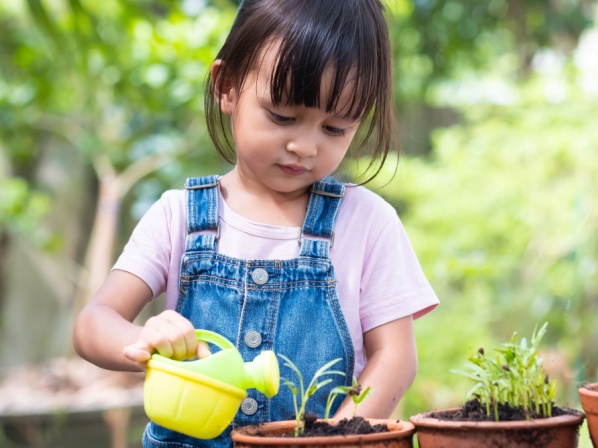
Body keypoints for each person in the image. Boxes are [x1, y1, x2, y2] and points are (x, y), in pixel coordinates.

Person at [72, 0, 438, 446]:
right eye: (283, 116)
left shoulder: (368, 223)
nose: (305, 146)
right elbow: (94, 323)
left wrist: (338, 436)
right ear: (227, 86)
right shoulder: (179, 216)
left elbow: (396, 357)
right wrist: (144, 339)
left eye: (335, 128)